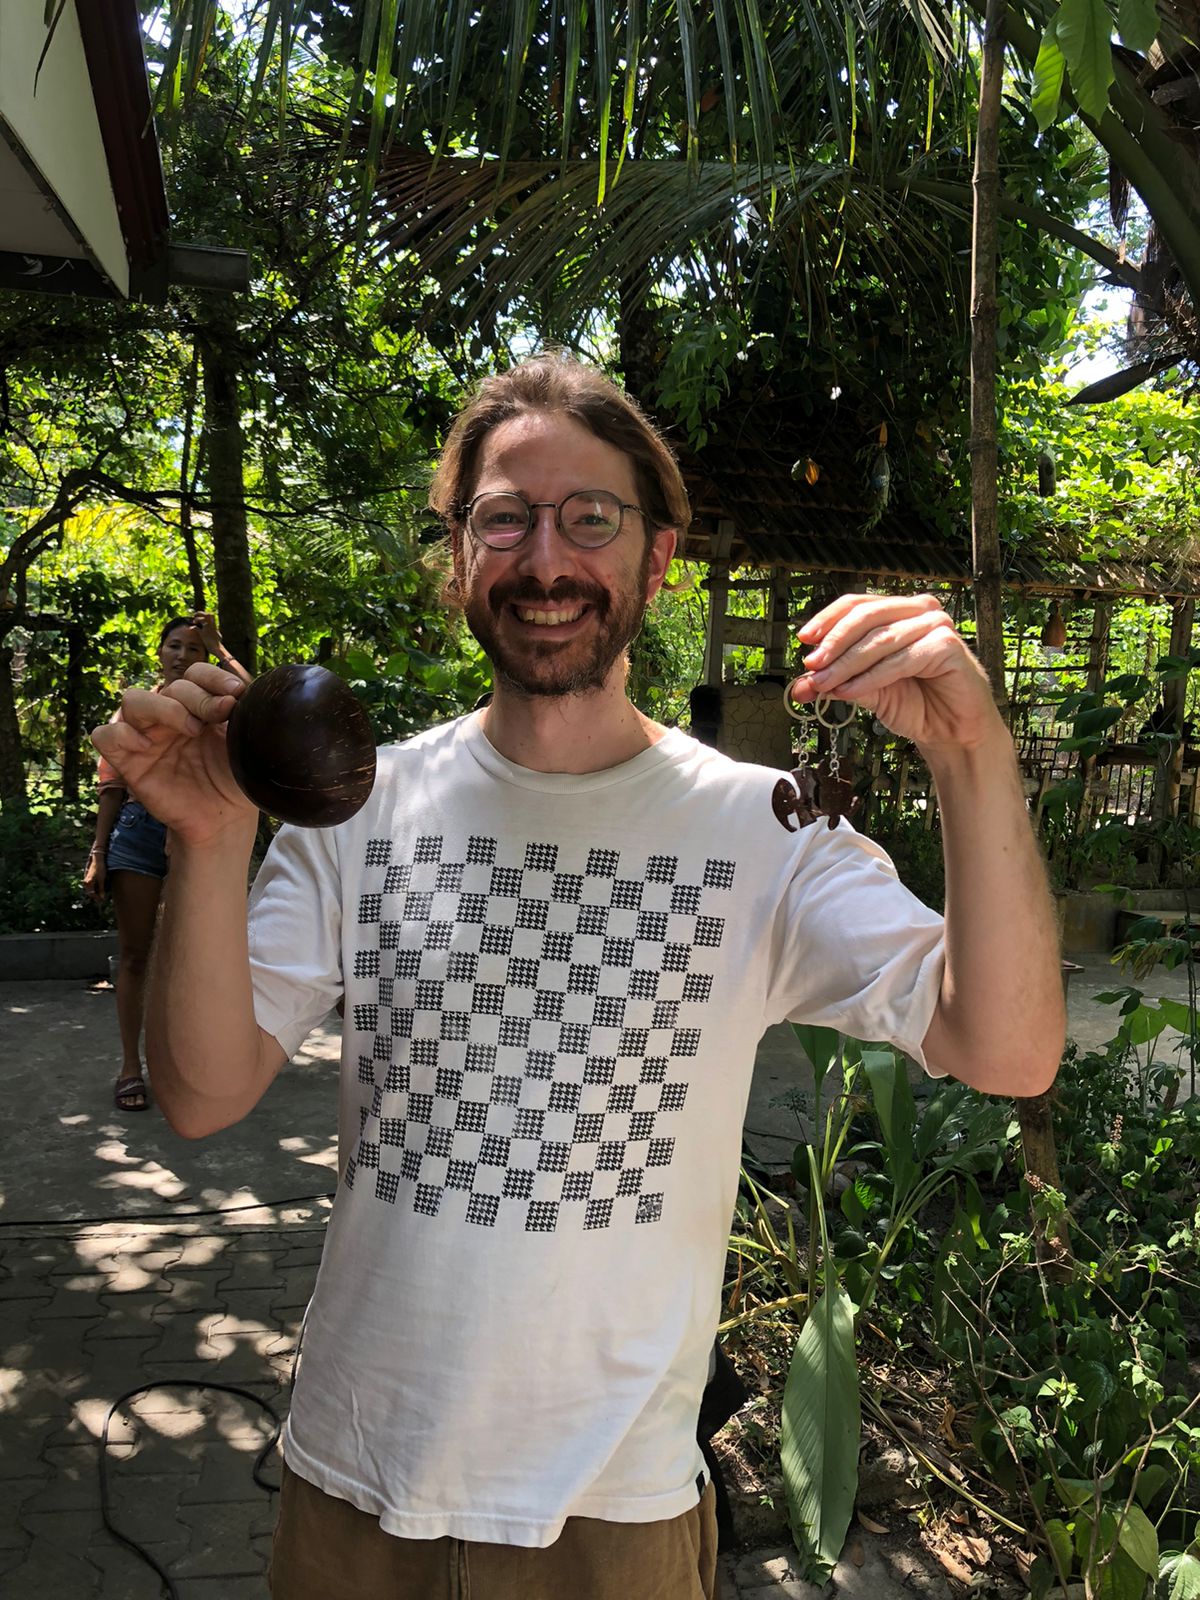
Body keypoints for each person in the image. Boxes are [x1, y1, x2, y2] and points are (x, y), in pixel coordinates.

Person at [92, 355, 1065, 1599]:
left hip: (611, 1511)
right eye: (506, 517)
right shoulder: (363, 807)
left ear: (659, 559)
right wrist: (213, 837)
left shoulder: (761, 830)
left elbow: (1010, 1047)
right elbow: (202, 1092)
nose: (547, 559)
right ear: (461, 555)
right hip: (356, 1480)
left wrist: (973, 749)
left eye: (591, 518)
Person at [84, 612, 249, 1113]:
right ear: (161, 650)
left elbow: (256, 705)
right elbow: (112, 786)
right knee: (135, 955)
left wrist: (221, 649)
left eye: (192, 649)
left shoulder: (217, 710)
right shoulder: (136, 709)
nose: (182, 655)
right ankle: (130, 1065)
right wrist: (97, 853)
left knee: (188, 958)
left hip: (198, 837)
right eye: (174, 645)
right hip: (137, 835)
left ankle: (182, 1063)